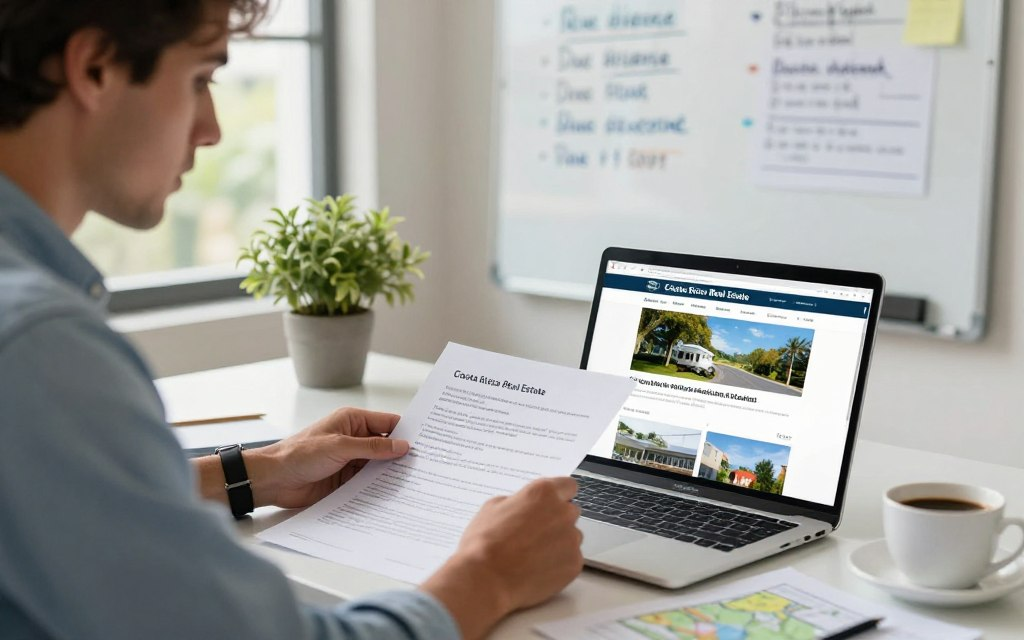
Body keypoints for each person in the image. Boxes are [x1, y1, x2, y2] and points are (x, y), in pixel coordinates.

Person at [0, 1, 584, 638]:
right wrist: (489, 572)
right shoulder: (39, 350)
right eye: (200, 78)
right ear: (95, 69)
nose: (212, 128)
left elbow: (61, 503)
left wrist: (261, 470)